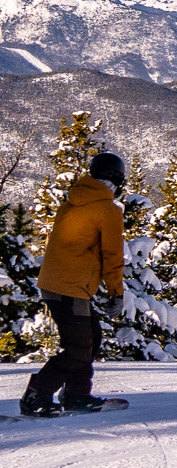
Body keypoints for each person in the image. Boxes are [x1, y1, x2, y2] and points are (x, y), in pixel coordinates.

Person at [23, 153, 127, 416]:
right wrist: (116, 293)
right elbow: (112, 256)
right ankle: (37, 395)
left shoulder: (72, 201)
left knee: (90, 339)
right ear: (117, 179)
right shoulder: (108, 210)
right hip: (71, 288)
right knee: (80, 347)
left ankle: (77, 394)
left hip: (55, 282)